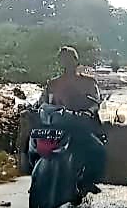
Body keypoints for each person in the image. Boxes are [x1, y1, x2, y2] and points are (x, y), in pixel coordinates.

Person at [32, 46, 106, 194]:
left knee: (98, 151)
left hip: (80, 126)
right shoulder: (52, 83)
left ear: (76, 61)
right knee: (33, 142)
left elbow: (96, 102)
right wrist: (33, 110)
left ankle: (86, 182)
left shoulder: (88, 83)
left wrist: (88, 112)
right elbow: (42, 101)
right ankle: (37, 176)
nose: (67, 63)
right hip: (55, 125)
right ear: (60, 62)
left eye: (70, 59)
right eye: (64, 59)